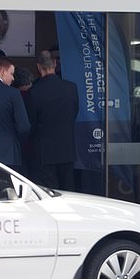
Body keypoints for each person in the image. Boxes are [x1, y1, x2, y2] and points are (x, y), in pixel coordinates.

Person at [25, 50, 79, 190]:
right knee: (69, 191)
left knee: (48, 193)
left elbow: (31, 123)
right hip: (67, 149)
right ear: (55, 64)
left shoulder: (34, 92)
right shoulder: (71, 88)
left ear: (38, 67)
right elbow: (74, 113)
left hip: (44, 152)